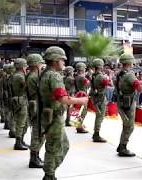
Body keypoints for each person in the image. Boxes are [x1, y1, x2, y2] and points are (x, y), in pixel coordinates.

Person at [39, 46, 88, 180]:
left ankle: (49, 173)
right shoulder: (54, 76)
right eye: (62, 60)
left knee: (55, 145)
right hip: (54, 116)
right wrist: (81, 100)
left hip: (48, 114)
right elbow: (62, 98)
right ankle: (49, 174)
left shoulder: (44, 73)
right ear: (55, 60)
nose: (64, 63)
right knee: (56, 146)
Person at [115, 53, 142, 156]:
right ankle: (123, 147)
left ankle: (121, 145)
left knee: (126, 125)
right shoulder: (130, 75)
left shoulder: (119, 74)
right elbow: (140, 89)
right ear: (129, 62)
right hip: (128, 102)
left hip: (121, 101)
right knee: (129, 126)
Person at [26, 54, 45, 168]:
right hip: (37, 105)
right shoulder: (34, 76)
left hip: (35, 104)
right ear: (36, 64)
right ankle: (33, 159)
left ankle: (35, 156)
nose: (41, 65)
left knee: (38, 133)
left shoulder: (31, 75)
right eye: (40, 63)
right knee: (37, 133)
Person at [90, 58, 111, 143]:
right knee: (100, 116)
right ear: (100, 66)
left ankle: (96, 133)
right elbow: (109, 83)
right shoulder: (101, 76)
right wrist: (108, 77)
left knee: (99, 116)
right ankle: (96, 134)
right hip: (100, 98)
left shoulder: (94, 75)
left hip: (96, 97)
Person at [11, 58, 29, 150]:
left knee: (23, 122)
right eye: (25, 66)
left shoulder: (16, 75)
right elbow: (27, 86)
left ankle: (21, 140)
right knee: (21, 122)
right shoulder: (20, 76)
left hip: (19, 99)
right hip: (21, 100)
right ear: (22, 66)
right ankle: (18, 142)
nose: (26, 67)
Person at [74, 62, 90, 133]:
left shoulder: (76, 76)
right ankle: (79, 127)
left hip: (78, 95)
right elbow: (88, 83)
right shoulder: (82, 77)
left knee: (79, 112)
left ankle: (78, 125)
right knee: (82, 112)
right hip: (82, 96)